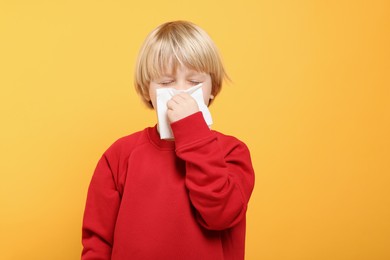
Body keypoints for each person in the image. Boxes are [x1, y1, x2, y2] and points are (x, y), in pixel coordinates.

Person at [81, 20, 255, 260]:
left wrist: (194, 133)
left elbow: (220, 214)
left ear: (212, 88)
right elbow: (98, 241)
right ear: (146, 91)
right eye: (165, 82)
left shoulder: (232, 152)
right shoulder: (120, 155)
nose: (181, 92)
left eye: (194, 82)